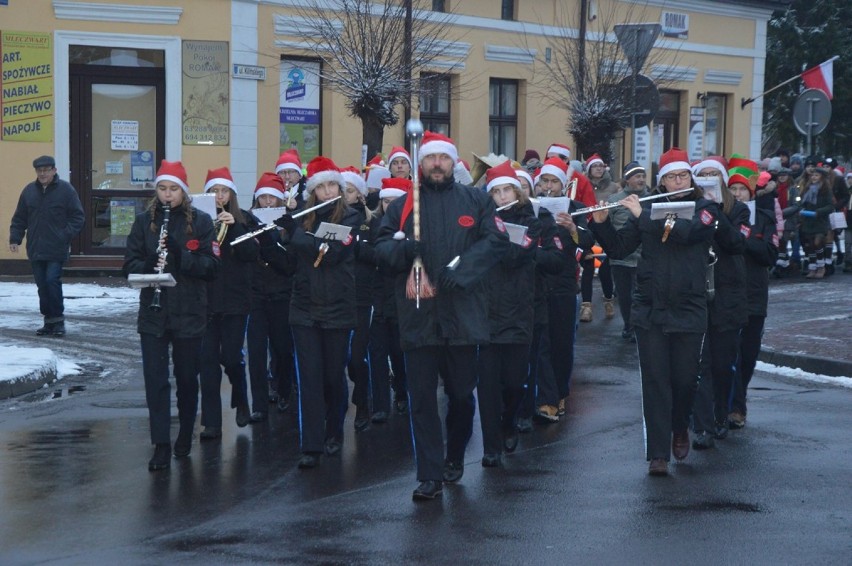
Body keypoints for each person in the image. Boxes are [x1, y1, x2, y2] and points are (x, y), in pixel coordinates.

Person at [374, 131, 510, 501]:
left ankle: (454, 454)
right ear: (422, 164)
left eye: (444, 159)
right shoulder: (403, 205)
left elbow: (495, 241)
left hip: (462, 316)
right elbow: (380, 249)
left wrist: (462, 271)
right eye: (431, 159)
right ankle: (429, 474)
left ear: (453, 163)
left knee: (462, 396)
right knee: (421, 398)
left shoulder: (477, 201)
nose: (437, 164)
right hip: (418, 316)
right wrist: (403, 254)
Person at [589, 148, 717, 476]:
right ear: (662, 181)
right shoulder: (647, 207)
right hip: (650, 308)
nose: (679, 180)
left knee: (685, 380)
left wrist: (643, 216)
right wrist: (601, 225)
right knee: (656, 381)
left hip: (689, 306)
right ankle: (658, 453)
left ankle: (679, 427)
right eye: (672, 177)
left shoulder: (704, 208)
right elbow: (619, 249)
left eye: (683, 175)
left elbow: (687, 234)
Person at [123, 160, 219, 470]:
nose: (167, 195)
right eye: (162, 189)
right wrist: (150, 262)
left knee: (187, 378)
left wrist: (182, 255)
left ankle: (186, 432)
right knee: (155, 379)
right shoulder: (143, 222)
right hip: (154, 312)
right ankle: (161, 443)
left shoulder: (202, 222)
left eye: (173, 189)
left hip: (189, 310)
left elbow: (211, 268)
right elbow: (129, 265)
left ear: (183, 192)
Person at [278, 156, 361, 470]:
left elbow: (330, 254)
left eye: (332, 185)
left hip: (338, 307)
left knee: (331, 376)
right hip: (303, 307)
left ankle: (334, 429)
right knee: (310, 378)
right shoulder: (301, 218)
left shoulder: (350, 218)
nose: (327, 192)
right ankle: (311, 443)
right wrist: (278, 238)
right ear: (312, 191)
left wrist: (296, 235)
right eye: (321, 187)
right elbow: (289, 264)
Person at [477, 161, 542, 466]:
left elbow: (517, 256)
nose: (502, 197)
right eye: (497, 192)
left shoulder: (531, 221)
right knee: (488, 385)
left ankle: (508, 422)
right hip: (485, 313)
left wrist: (496, 236)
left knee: (515, 381)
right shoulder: (480, 223)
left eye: (507, 191)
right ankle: (491, 445)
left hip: (518, 311)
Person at [689, 157, 749, 449]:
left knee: (723, 362)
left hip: (727, 296)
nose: (709, 179)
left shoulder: (739, 210)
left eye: (714, 175)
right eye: (704, 175)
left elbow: (736, 243)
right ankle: (702, 424)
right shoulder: (692, 206)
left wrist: (716, 212)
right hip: (697, 294)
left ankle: (721, 414)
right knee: (701, 363)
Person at [198, 168, 260, 438]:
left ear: (232, 195)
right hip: (206, 301)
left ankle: (241, 395)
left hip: (236, 299)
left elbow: (251, 254)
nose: (218, 196)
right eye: (213, 192)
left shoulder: (245, 219)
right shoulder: (200, 221)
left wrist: (235, 226)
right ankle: (212, 422)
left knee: (231, 357)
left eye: (223, 192)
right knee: (208, 362)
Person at [535, 157, 593, 422]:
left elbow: (589, 242)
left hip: (564, 285)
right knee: (541, 343)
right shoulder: (531, 208)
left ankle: (559, 393)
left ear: (563, 184)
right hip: (536, 284)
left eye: (553, 181)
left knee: (561, 343)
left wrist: (573, 229)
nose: (548, 186)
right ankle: (546, 399)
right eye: (544, 181)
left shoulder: (576, 208)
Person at [9, 155, 85, 337]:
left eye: (46, 170)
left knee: (52, 281)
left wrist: (64, 234)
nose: (43, 173)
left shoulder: (66, 191)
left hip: (56, 247)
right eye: (39, 170)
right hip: (35, 247)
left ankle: (58, 320)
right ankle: (48, 321)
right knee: (42, 285)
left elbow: (78, 217)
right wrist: (15, 238)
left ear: (54, 171)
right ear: (36, 172)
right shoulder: (29, 191)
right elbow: (20, 218)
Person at [730, 167, 779, 428]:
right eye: (733, 189)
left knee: (748, 355)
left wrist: (743, 238)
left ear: (750, 193)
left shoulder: (763, 217)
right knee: (730, 354)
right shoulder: (723, 215)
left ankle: (739, 396)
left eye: (741, 190)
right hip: (728, 293)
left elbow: (770, 254)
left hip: (755, 294)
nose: (737, 194)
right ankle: (735, 406)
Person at [246, 173, 297, 420]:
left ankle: (284, 389)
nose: (267, 202)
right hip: (254, 295)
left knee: (283, 349)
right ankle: (258, 404)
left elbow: (288, 264)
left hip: (281, 294)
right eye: (263, 197)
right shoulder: (247, 220)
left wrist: (269, 242)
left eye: (271, 198)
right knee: (256, 352)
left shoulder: (288, 225)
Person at [368, 177, 411, 421]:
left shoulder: (412, 226)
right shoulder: (373, 224)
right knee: (376, 352)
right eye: (385, 201)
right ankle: (380, 405)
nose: (389, 205)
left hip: (401, 296)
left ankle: (403, 392)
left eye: (395, 201)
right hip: (377, 296)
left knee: (398, 350)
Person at [341, 166, 377, 430]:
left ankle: (363, 401)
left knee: (356, 357)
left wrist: (357, 246)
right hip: (338, 296)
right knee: (338, 358)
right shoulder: (332, 219)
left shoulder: (370, 221)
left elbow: (377, 255)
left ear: (359, 195)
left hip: (364, 296)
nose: (344, 195)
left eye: (350, 190)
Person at [607, 161, 650, 340]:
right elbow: (606, 225)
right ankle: (628, 324)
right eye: (636, 176)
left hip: (643, 257)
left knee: (642, 295)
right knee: (625, 296)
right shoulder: (615, 201)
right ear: (627, 180)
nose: (641, 180)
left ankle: (638, 327)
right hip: (621, 259)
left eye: (643, 176)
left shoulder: (652, 199)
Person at [579, 154, 619, 322]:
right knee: (588, 265)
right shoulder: (583, 185)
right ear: (589, 169)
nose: (598, 168)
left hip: (605, 228)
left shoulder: (613, 187)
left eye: (601, 166)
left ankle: (608, 300)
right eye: (595, 166)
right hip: (588, 227)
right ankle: (586, 307)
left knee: (605, 268)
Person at [797, 166, 835, 279]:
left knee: (818, 242)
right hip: (808, 220)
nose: (814, 177)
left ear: (822, 178)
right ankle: (812, 267)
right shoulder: (807, 189)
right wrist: (801, 209)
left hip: (820, 220)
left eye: (817, 175)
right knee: (810, 245)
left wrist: (818, 212)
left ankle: (821, 266)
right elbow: (801, 202)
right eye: (813, 175)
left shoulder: (825, 190)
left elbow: (830, 206)